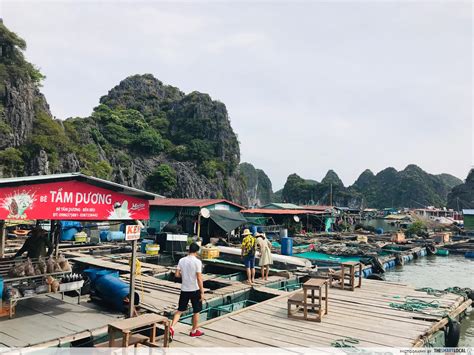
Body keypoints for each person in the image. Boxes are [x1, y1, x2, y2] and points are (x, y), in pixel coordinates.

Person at [170, 242, 204, 339]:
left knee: (180, 310)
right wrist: (202, 292)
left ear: (188, 250)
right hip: (195, 289)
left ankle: (172, 327)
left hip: (184, 289)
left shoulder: (181, 260)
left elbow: (176, 275)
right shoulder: (197, 262)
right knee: (196, 311)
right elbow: (199, 277)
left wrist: (184, 276)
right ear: (197, 251)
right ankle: (194, 331)